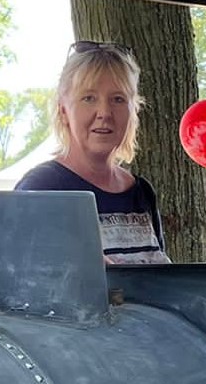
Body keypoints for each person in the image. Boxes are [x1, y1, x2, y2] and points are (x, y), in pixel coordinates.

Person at [14, 41, 168, 265]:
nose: (104, 112)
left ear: (134, 110)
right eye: (89, 98)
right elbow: (20, 286)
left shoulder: (142, 192)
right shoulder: (40, 189)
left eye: (118, 99)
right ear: (63, 111)